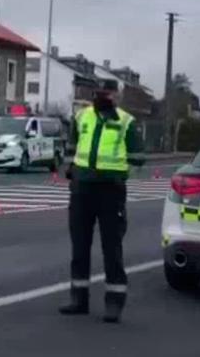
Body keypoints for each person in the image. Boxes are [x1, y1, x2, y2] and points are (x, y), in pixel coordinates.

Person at [58, 81, 145, 323]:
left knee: (112, 248)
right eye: (100, 93)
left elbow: (138, 156)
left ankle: (114, 302)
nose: (103, 97)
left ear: (117, 95)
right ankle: (78, 299)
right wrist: (72, 170)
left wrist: (119, 173)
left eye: (108, 93)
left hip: (110, 191)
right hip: (82, 189)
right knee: (79, 246)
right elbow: (72, 147)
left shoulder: (126, 121)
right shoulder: (81, 117)